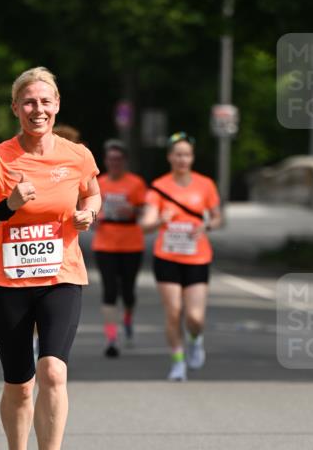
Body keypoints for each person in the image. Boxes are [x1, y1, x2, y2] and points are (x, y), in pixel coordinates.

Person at [0, 66, 100, 450]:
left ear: (57, 105)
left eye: (45, 102)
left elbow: (92, 194)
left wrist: (88, 214)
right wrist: (9, 205)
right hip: (10, 284)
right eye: (28, 102)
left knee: (54, 372)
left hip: (62, 276)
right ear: (15, 108)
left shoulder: (77, 155)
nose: (37, 109)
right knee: (20, 385)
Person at [141, 132, 222, 381]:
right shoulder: (159, 186)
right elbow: (145, 223)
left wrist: (206, 226)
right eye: (178, 154)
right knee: (174, 313)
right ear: (170, 157)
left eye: (186, 154)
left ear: (192, 157)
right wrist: (158, 222)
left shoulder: (205, 184)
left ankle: (195, 339)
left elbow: (218, 218)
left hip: (197, 258)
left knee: (195, 318)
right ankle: (178, 362)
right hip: (167, 257)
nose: (182, 159)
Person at [93, 139, 147, 356]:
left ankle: (127, 320)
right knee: (109, 291)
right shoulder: (98, 183)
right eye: (111, 159)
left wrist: (132, 210)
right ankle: (111, 337)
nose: (114, 163)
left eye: (118, 159)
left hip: (131, 243)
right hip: (105, 243)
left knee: (128, 292)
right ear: (105, 161)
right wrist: (94, 219)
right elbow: (89, 210)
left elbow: (146, 211)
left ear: (124, 161)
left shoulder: (135, 183)